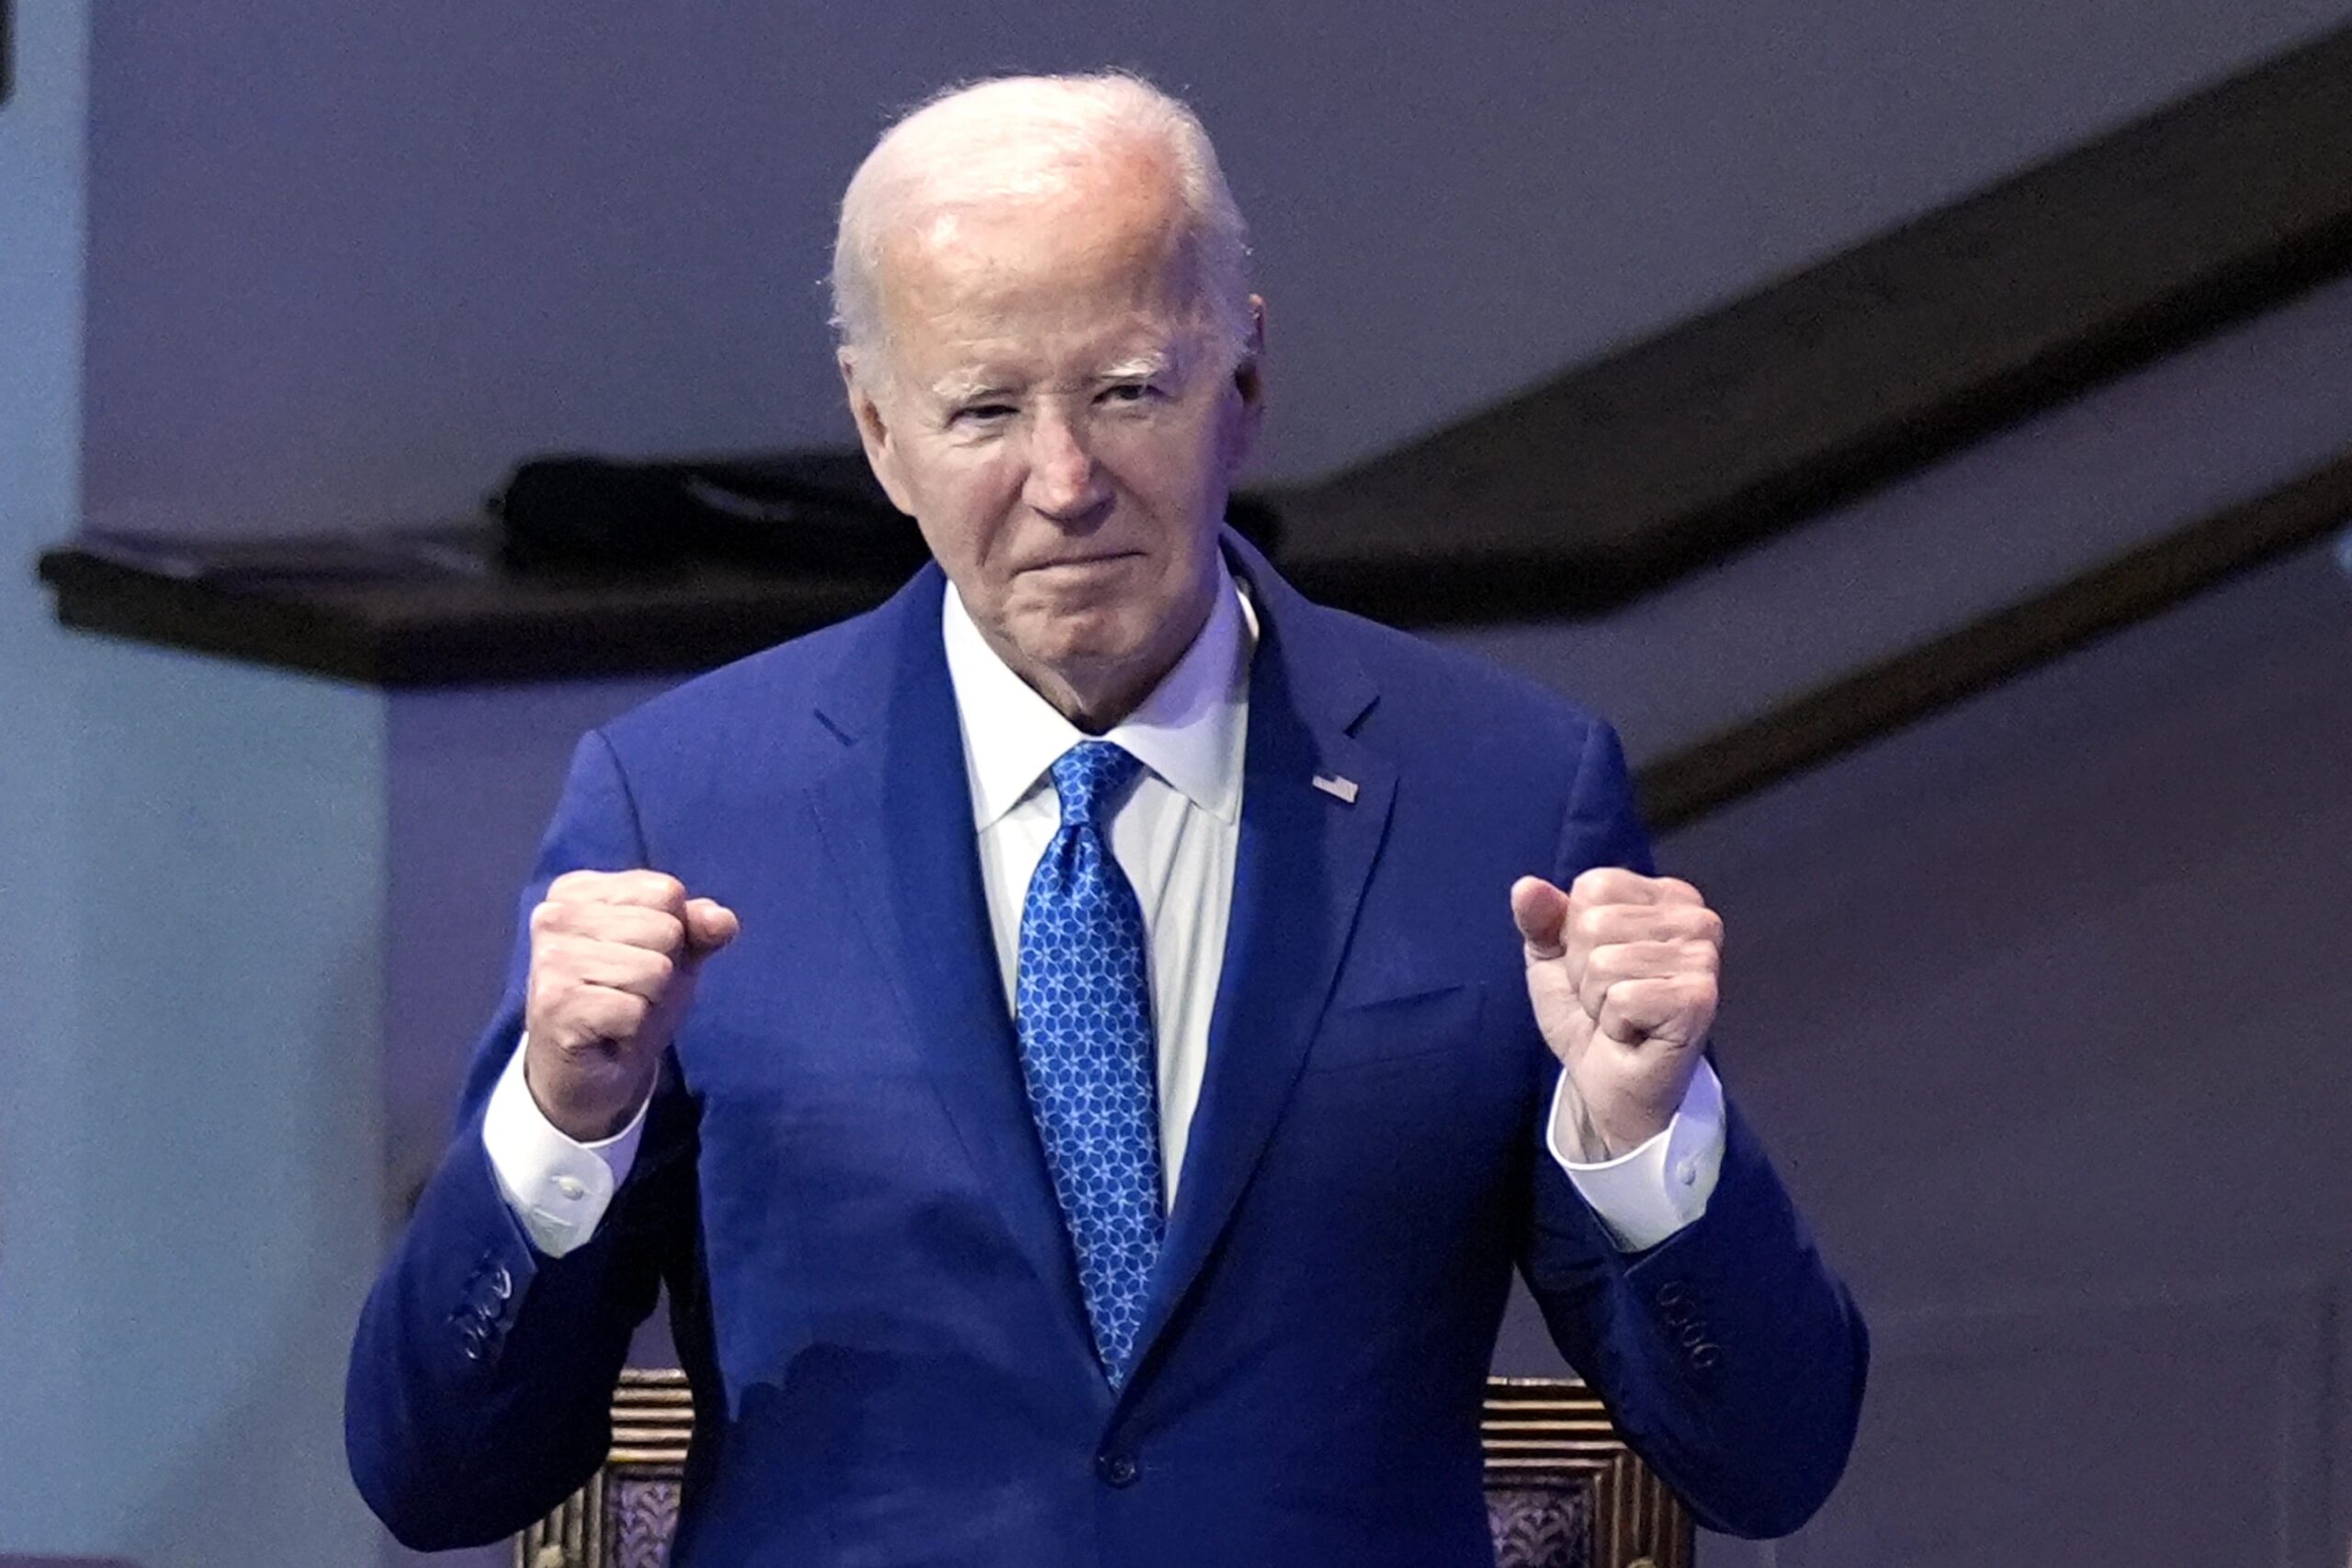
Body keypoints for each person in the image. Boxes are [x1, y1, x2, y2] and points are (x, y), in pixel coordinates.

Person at [346, 71, 1865, 1565]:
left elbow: (1769, 1463)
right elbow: (438, 1481)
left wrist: (1644, 1141)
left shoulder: (1505, 795)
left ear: (1245, 381)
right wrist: (561, 1126)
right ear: (880, 435)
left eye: (1128, 391)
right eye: (985, 409)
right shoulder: (681, 799)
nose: (1064, 481)